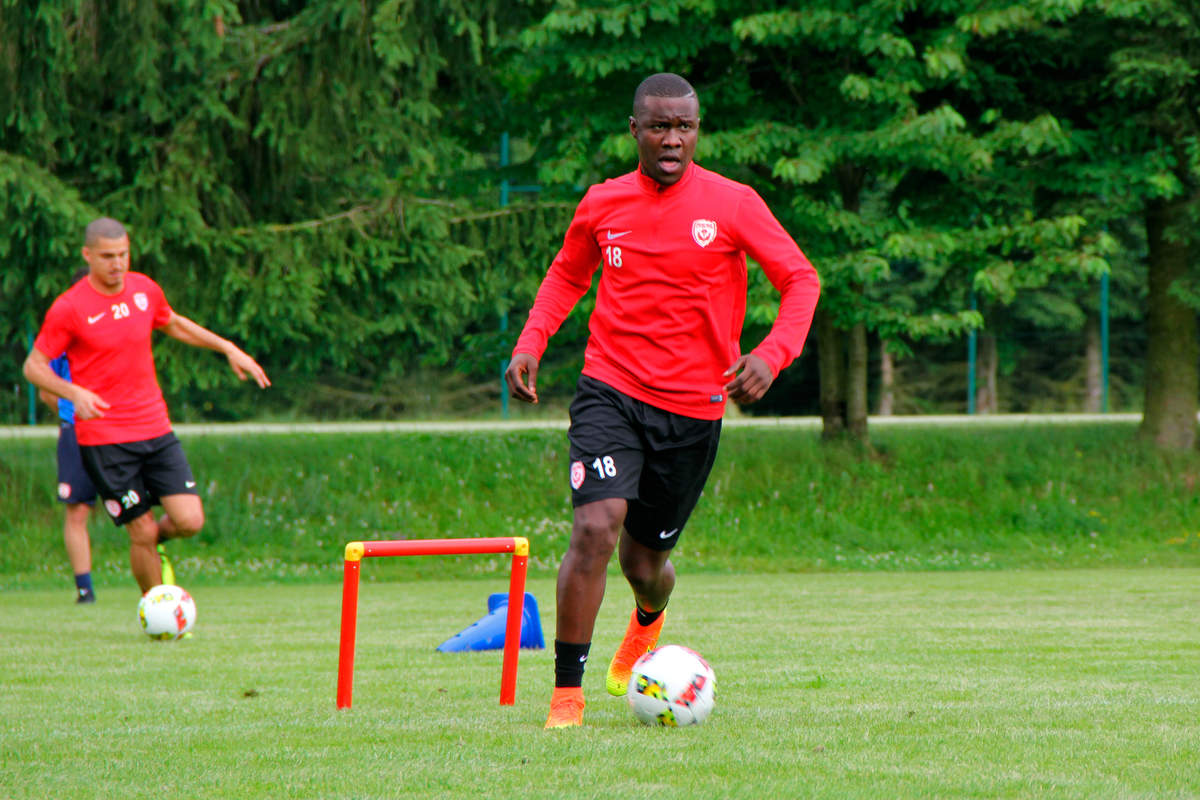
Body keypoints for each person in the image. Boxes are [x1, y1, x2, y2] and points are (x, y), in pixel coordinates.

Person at [504, 73, 821, 728]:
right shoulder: (602, 203)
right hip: (609, 388)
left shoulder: (733, 204)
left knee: (645, 565)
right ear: (635, 131)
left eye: (684, 127)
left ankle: (648, 620)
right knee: (595, 528)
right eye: (658, 126)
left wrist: (771, 354)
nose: (672, 138)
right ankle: (568, 693)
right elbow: (568, 273)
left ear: (696, 130)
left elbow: (800, 280)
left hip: (693, 410)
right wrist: (532, 340)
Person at [23, 217, 271, 594]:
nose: (117, 264)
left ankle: (150, 550)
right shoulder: (69, 308)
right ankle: (157, 611)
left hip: (155, 428)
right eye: (107, 256)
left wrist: (228, 348)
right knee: (142, 530)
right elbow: (33, 367)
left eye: (123, 254)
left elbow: (173, 323)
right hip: (105, 439)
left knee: (189, 520)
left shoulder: (144, 290)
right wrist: (73, 393)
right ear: (87, 255)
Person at [39, 268, 101, 603]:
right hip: (76, 432)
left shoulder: (120, 328)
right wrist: (69, 414)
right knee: (77, 511)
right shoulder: (64, 333)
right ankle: (85, 590)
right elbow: (47, 387)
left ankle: (158, 584)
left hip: (121, 431)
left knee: (140, 510)